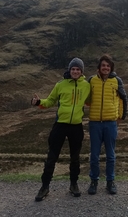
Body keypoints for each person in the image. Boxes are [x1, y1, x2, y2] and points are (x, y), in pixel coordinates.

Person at [31, 57, 90, 202]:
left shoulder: (86, 86)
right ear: (69, 70)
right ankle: (44, 187)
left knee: (75, 158)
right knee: (52, 157)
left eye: (78, 69)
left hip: (76, 126)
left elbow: (91, 101)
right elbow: (50, 101)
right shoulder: (61, 85)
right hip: (60, 125)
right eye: (73, 69)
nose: (75, 71)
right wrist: (38, 102)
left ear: (81, 71)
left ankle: (74, 185)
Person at [87, 54, 128, 195]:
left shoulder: (117, 81)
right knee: (94, 155)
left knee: (111, 155)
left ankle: (110, 182)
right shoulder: (91, 80)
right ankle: (94, 181)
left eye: (108, 66)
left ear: (111, 68)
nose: (105, 68)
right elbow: (85, 98)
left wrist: (121, 117)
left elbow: (123, 99)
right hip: (95, 123)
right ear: (99, 67)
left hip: (110, 123)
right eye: (103, 65)